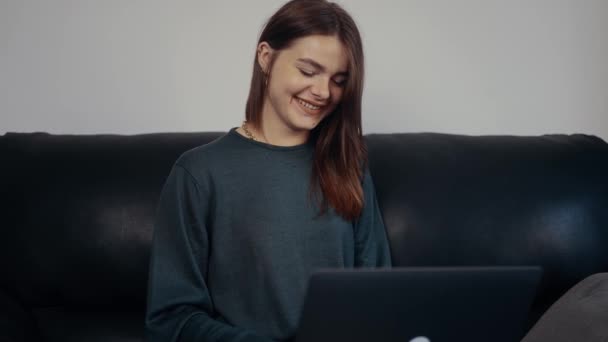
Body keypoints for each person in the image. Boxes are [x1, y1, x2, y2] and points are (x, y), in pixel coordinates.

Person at [144, 0, 392, 341]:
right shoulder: (197, 174)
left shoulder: (350, 165)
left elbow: (380, 295)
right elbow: (171, 319)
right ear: (266, 57)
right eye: (308, 71)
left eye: (338, 80)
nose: (323, 92)